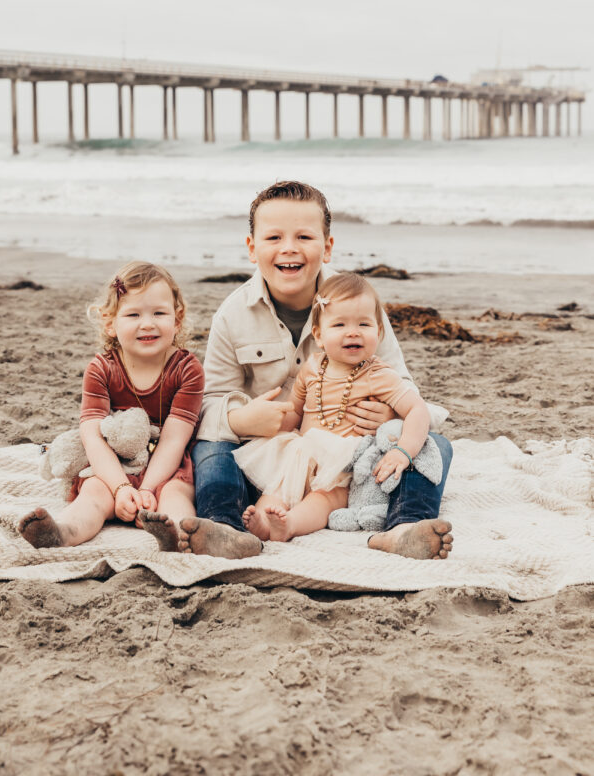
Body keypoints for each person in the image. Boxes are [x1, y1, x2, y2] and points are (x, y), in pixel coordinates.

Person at [177, 180, 454, 560]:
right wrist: (243, 420)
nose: (289, 248)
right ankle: (224, 527)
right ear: (252, 247)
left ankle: (405, 527)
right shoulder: (233, 313)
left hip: (352, 460)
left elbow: (403, 384)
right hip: (271, 457)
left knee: (434, 445)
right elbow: (207, 405)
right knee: (210, 448)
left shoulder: (358, 305)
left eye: (304, 237)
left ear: (327, 247)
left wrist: (389, 412)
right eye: (273, 237)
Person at [18, 261, 204, 552]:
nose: (148, 323)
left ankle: (175, 535)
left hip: (169, 463)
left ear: (176, 319)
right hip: (117, 460)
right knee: (94, 492)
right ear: (110, 322)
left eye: (159, 313)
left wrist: (145, 489)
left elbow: (174, 439)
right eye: (133, 314)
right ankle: (63, 532)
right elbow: (92, 435)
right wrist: (120, 488)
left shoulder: (187, 369)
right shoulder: (102, 368)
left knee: (177, 493)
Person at [234, 271, 433, 542]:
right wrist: (273, 418)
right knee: (278, 486)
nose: (353, 332)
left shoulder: (378, 375)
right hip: (302, 454)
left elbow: (417, 409)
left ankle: (289, 525)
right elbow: (295, 411)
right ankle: (262, 521)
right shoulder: (313, 367)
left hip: (343, 464)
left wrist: (403, 451)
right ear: (318, 334)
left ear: (379, 331)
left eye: (364, 324)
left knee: (324, 499)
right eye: (339, 325)